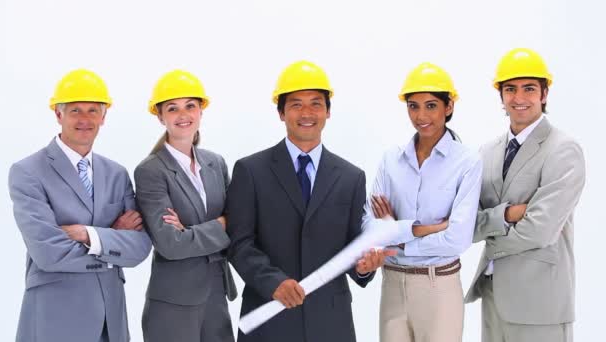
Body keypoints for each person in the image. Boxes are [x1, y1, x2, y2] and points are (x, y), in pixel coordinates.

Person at [226, 60, 393, 342]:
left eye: (316, 104)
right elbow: (239, 243)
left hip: (330, 323)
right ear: (281, 112)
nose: (307, 113)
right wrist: (273, 282)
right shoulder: (250, 171)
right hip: (270, 319)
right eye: (296, 104)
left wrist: (364, 266)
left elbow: (353, 246)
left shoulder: (351, 177)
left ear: (328, 111)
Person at [9, 69, 152, 342]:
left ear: (104, 116)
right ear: (58, 114)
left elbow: (140, 248)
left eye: (93, 111)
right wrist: (112, 241)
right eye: (75, 110)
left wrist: (90, 235)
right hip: (57, 316)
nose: (85, 119)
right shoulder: (28, 172)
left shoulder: (117, 173)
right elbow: (47, 253)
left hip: (112, 319)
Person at [465, 48, 586, 342]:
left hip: (540, 305)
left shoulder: (563, 150)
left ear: (544, 94)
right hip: (493, 298)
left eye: (529, 88)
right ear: (501, 96)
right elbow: (466, 223)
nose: (519, 98)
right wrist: (507, 215)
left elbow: (540, 230)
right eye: (510, 89)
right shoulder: (487, 152)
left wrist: (490, 239)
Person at [363, 62, 482, 342]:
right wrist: (423, 229)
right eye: (413, 106)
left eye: (430, 106)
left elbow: (457, 238)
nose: (421, 115)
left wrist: (397, 237)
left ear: (448, 107)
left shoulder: (466, 162)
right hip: (392, 284)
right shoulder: (391, 160)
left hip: (438, 286)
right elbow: (370, 227)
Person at [134, 69, 237, 342]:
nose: (183, 115)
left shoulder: (216, 163)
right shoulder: (151, 171)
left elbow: (240, 225)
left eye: (190, 106)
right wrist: (221, 224)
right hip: (173, 304)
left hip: (217, 295)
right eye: (172, 108)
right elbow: (170, 245)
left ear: (201, 110)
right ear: (160, 116)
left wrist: (191, 231)